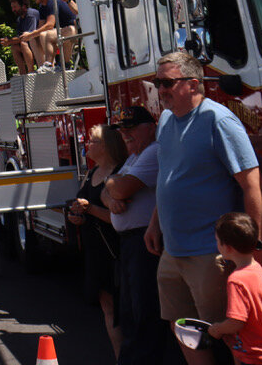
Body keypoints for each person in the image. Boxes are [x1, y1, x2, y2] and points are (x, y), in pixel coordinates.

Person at [145, 51, 262, 365]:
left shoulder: (218, 120)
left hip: (211, 252)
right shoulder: (167, 120)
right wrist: (155, 223)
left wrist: (252, 250)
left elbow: (252, 184)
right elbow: (168, 176)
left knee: (230, 334)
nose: (161, 89)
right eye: (158, 82)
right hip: (173, 250)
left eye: (167, 82)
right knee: (183, 328)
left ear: (194, 84)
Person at [104, 104, 165, 364]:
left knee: (144, 312)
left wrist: (111, 187)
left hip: (145, 244)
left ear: (150, 128)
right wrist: (110, 192)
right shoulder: (133, 157)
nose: (125, 135)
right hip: (130, 245)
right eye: (122, 130)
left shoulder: (153, 152)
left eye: (131, 129)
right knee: (129, 312)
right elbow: (110, 193)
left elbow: (120, 187)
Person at [67, 123, 127, 360]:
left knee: (124, 307)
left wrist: (90, 209)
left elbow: (120, 218)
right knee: (107, 305)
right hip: (95, 250)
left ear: (106, 146)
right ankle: (119, 356)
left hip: (116, 249)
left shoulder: (120, 173)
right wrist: (76, 215)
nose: (87, 144)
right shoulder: (92, 174)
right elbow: (81, 205)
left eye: (92, 141)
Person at [208, 212, 262, 364]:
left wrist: (218, 329)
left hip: (253, 356)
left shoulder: (236, 280)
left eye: (217, 241)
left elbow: (236, 322)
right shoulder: (258, 270)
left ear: (227, 248)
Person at [28, 0, 79, 70]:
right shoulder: (42, 6)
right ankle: (46, 65)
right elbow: (41, 27)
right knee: (41, 35)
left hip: (74, 29)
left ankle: (50, 64)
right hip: (64, 30)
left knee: (48, 35)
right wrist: (30, 36)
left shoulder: (52, 1)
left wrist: (30, 35)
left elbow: (49, 25)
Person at [0, 0, 43, 74]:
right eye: (12, 7)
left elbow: (27, 37)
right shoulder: (20, 19)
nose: (13, 10)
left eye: (15, 7)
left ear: (23, 6)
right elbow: (19, 36)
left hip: (39, 44)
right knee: (14, 47)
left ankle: (31, 72)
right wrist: (10, 42)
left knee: (23, 44)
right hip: (30, 46)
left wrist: (9, 41)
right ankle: (23, 73)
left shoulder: (31, 15)